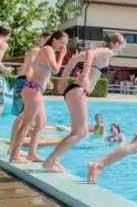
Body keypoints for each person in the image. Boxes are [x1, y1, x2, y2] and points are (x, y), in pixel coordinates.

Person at [43, 33, 126, 172]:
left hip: (74, 91)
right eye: (122, 45)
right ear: (117, 43)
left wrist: (64, 77)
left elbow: (74, 58)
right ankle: (50, 161)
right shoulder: (107, 51)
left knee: (80, 131)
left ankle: (52, 159)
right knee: (80, 132)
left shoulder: (103, 52)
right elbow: (90, 53)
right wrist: (86, 74)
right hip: (79, 91)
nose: (121, 49)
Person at [10, 31, 68, 163]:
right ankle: (14, 155)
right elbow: (55, 69)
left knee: (41, 123)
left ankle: (32, 153)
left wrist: (47, 81)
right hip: (33, 90)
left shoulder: (48, 50)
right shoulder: (48, 49)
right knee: (26, 124)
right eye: (62, 42)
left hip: (35, 90)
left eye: (65, 43)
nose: (63, 45)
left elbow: (42, 71)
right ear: (54, 39)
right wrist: (63, 56)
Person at [7, 32, 52, 159]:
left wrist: (46, 81)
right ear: (41, 39)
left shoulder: (41, 52)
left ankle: (22, 150)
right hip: (25, 83)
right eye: (47, 39)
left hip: (28, 84)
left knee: (34, 120)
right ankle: (13, 149)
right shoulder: (37, 50)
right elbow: (30, 68)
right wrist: (31, 84)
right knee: (23, 117)